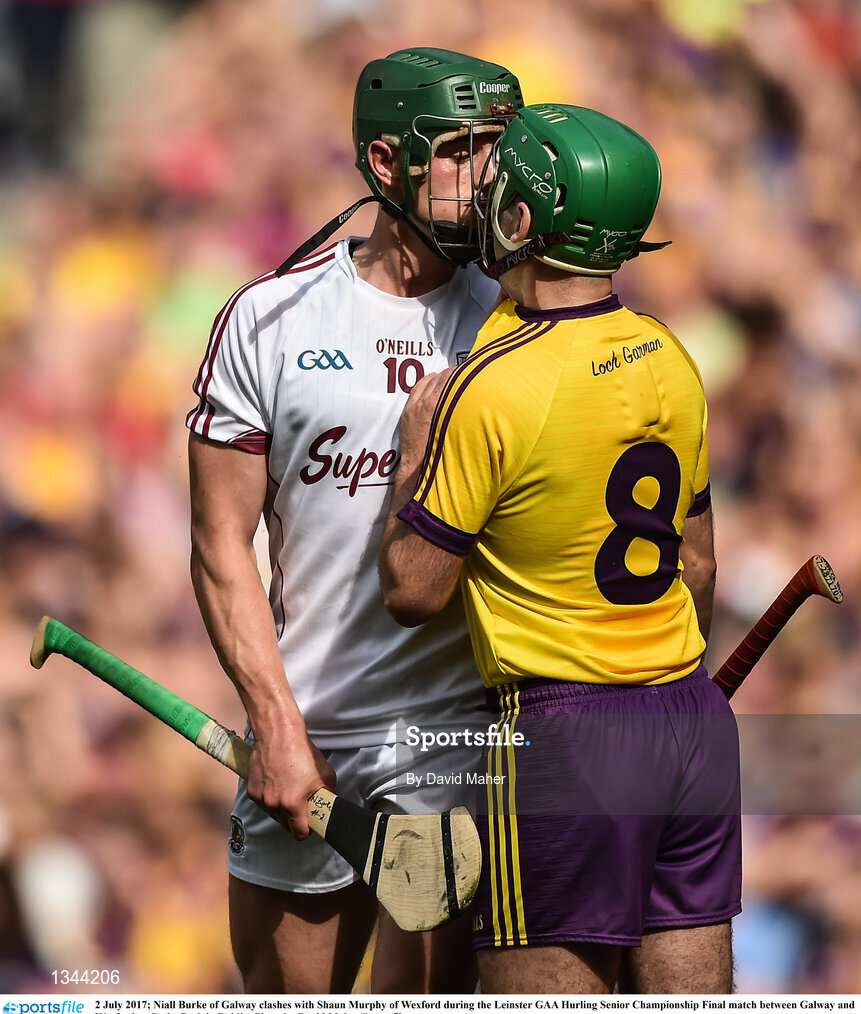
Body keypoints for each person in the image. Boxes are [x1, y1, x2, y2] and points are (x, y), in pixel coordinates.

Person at [379, 103, 742, 994]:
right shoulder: (671, 354)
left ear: (522, 219)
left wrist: (414, 452)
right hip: (691, 721)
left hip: (561, 736)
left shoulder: (491, 385)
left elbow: (413, 591)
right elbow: (696, 569)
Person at [185, 48, 523, 993]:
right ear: (386, 164)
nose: (493, 174)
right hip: (310, 742)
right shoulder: (268, 319)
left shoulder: (518, 322)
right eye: (465, 149)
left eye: (504, 148)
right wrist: (275, 722)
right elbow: (220, 546)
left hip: (455, 743)